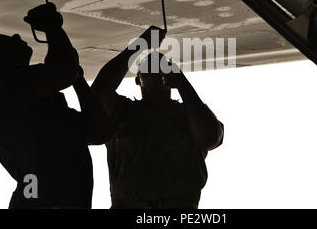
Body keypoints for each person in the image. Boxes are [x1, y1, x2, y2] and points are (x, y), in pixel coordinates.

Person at [0, 3, 107, 209]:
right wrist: (51, 26)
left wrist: (77, 77)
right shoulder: (6, 88)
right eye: (3, 41)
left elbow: (99, 132)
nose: (15, 36)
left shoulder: (21, 94)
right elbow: (65, 71)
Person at [91, 26, 224, 208]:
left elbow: (211, 137)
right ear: (138, 79)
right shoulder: (123, 111)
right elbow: (98, 94)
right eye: (148, 67)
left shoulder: (190, 114)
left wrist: (183, 85)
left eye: (162, 67)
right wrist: (140, 44)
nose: (156, 70)